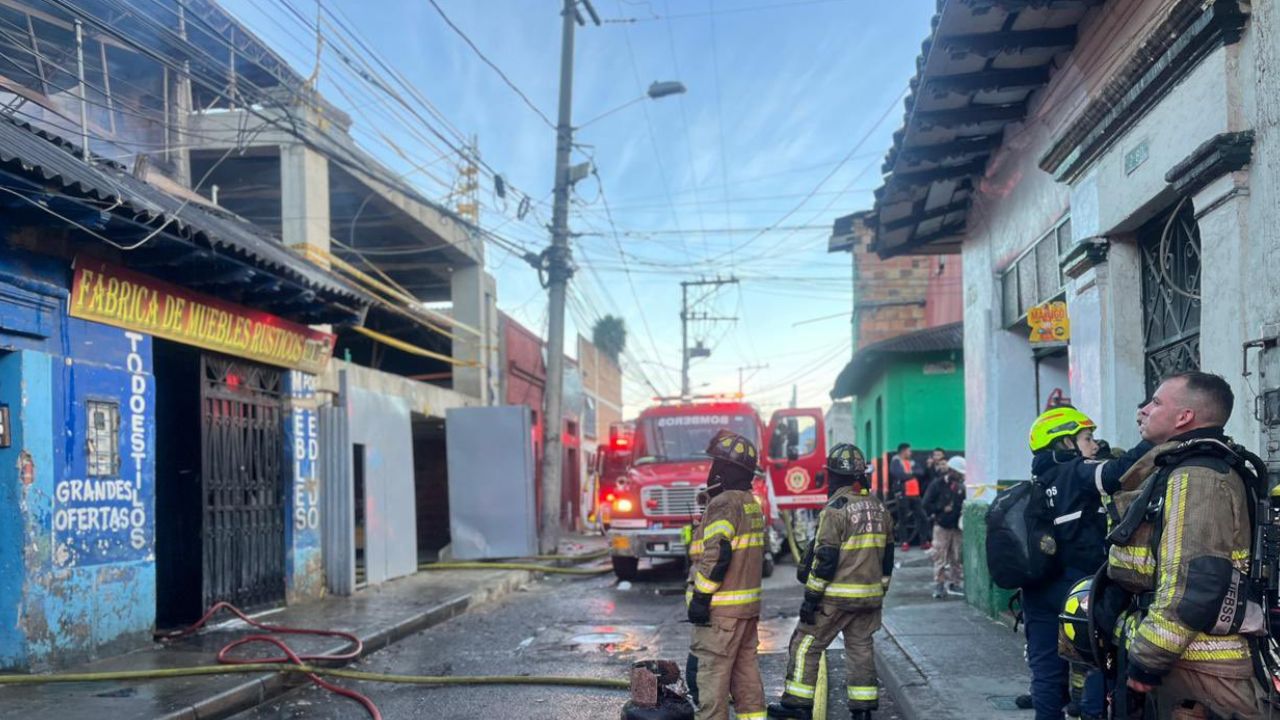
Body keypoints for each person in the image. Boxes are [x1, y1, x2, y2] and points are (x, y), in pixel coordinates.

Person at [1107, 372, 1263, 719]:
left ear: (1184, 417)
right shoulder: (1182, 468)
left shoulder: (1197, 476)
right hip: (1187, 664)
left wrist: (1147, 660)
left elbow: (1193, 582)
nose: (1145, 410)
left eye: (1156, 402)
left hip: (1197, 671)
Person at [1023, 405, 1153, 720]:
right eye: (1087, 438)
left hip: (1037, 589)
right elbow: (1118, 472)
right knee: (1097, 658)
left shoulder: (1039, 479)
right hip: (1079, 587)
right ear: (1064, 442)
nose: (1094, 445)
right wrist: (1155, 436)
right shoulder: (1075, 471)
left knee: (1046, 670)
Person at [767, 443, 894, 720]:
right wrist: (879, 591)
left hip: (836, 598)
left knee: (805, 644)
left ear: (835, 476)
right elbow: (887, 559)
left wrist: (811, 599)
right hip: (870, 597)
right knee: (860, 648)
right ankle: (863, 711)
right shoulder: (880, 509)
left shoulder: (835, 509)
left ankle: (797, 704)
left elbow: (825, 559)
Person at [685, 429, 767, 720]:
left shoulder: (724, 503)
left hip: (721, 613)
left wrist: (700, 597)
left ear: (725, 469)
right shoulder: (750, 503)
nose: (712, 471)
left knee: (711, 679)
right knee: (746, 674)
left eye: (716, 464)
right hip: (746, 610)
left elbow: (718, 555)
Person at [921, 455, 966, 599]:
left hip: (957, 527)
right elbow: (925, 504)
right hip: (942, 526)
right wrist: (941, 508)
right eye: (959, 473)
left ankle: (955, 583)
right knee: (940, 556)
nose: (961, 476)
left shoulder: (962, 487)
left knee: (956, 556)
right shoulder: (937, 484)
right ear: (951, 471)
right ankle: (939, 584)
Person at [888, 443, 928, 551]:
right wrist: (912, 474)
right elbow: (899, 475)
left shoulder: (912, 462)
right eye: (909, 451)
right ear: (903, 451)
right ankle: (904, 542)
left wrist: (909, 473)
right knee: (903, 519)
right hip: (903, 494)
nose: (911, 453)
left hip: (915, 494)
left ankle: (924, 541)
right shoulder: (895, 462)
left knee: (922, 517)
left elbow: (921, 472)